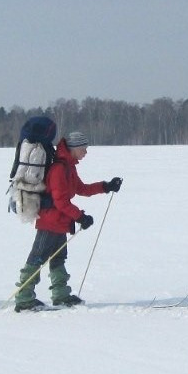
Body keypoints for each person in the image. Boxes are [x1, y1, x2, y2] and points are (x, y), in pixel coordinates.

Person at [14, 131, 122, 311]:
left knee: (58, 259)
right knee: (36, 259)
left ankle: (61, 295)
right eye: (83, 149)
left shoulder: (69, 166)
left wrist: (106, 186)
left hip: (60, 222)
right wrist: (80, 217)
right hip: (50, 222)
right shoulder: (58, 169)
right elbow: (60, 202)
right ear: (74, 149)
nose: (86, 152)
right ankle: (24, 299)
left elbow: (82, 188)